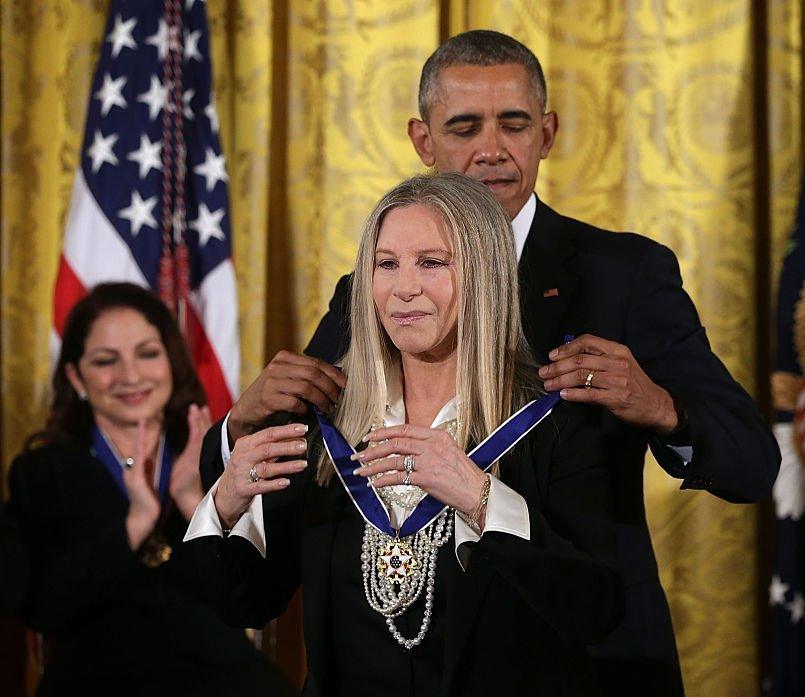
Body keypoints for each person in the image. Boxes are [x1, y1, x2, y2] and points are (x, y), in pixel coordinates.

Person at [207, 31, 780, 695]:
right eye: (464, 126)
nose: (491, 150)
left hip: (584, 657)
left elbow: (752, 461)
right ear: (424, 142)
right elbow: (302, 472)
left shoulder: (625, 275)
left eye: (513, 124)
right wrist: (236, 428)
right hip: (402, 659)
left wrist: (662, 407)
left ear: (548, 131)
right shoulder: (377, 290)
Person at [184, 173, 622, 696]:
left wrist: (480, 498)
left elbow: (596, 611)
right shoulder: (327, 429)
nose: (403, 287)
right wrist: (226, 502)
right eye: (385, 264)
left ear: (485, 276)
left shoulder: (558, 424)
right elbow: (245, 603)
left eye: (432, 263)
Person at [6, 283, 293, 697]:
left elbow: (251, 598)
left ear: (172, 362)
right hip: (95, 676)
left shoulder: (215, 454)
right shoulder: (45, 472)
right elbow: (45, 608)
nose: (131, 376)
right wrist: (135, 522)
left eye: (147, 354)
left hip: (218, 677)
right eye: (106, 361)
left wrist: (196, 501)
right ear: (75, 376)